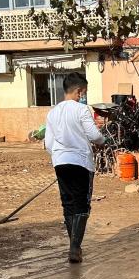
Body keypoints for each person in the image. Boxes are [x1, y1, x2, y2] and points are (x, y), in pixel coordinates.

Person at [44, 71, 104, 263]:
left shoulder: (52, 113)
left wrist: (60, 156)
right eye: (83, 92)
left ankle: (74, 247)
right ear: (79, 91)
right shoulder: (82, 110)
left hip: (60, 163)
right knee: (82, 205)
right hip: (81, 163)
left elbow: (48, 144)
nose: (83, 95)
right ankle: (75, 247)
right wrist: (103, 139)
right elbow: (94, 136)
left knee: (68, 203)